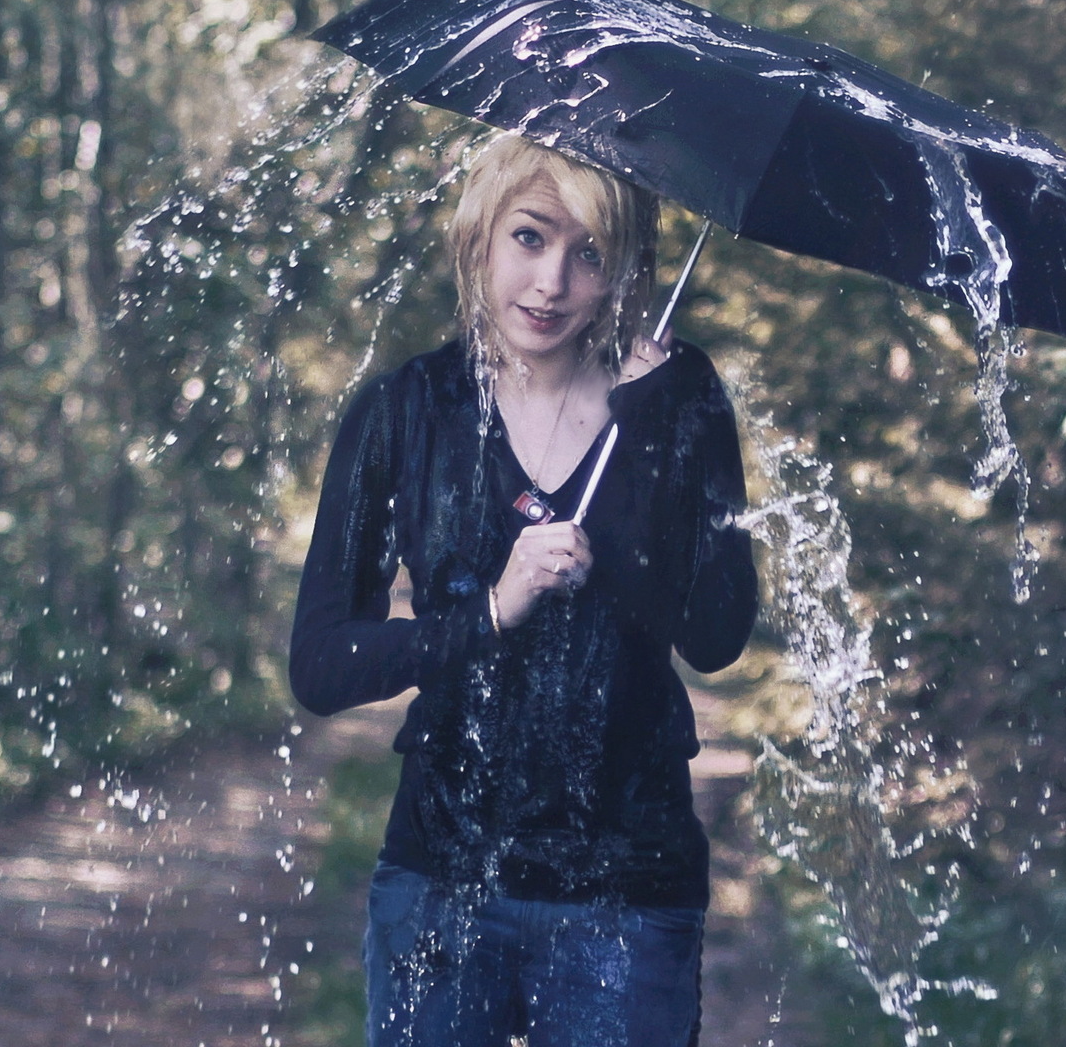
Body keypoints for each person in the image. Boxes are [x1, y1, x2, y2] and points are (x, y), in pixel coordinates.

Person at [289, 134, 759, 1047]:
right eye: (531, 237)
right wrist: (491, 612)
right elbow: (320, 664)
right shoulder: (408, 412)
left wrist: (652, 428)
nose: (552, 284)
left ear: (625, 265)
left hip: (629, 894)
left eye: (590, 254)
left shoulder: (678, 397)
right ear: (480, 238)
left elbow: (715, 634)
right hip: (441, 883)